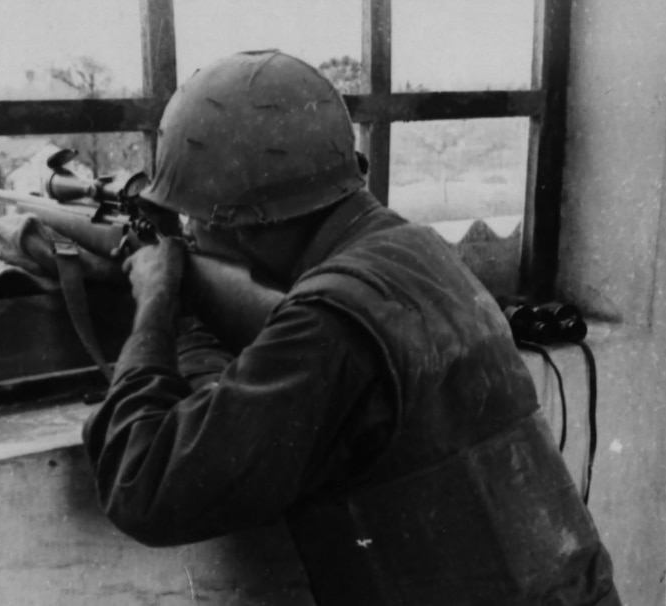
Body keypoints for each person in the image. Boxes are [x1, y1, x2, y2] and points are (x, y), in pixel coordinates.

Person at [82, 50, 620, 605]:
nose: (190, 236)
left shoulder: (325, 328)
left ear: (240, 225)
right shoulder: (417, 249)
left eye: (192, 220)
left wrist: (156, 302)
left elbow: (142, 483)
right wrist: (195, 316)